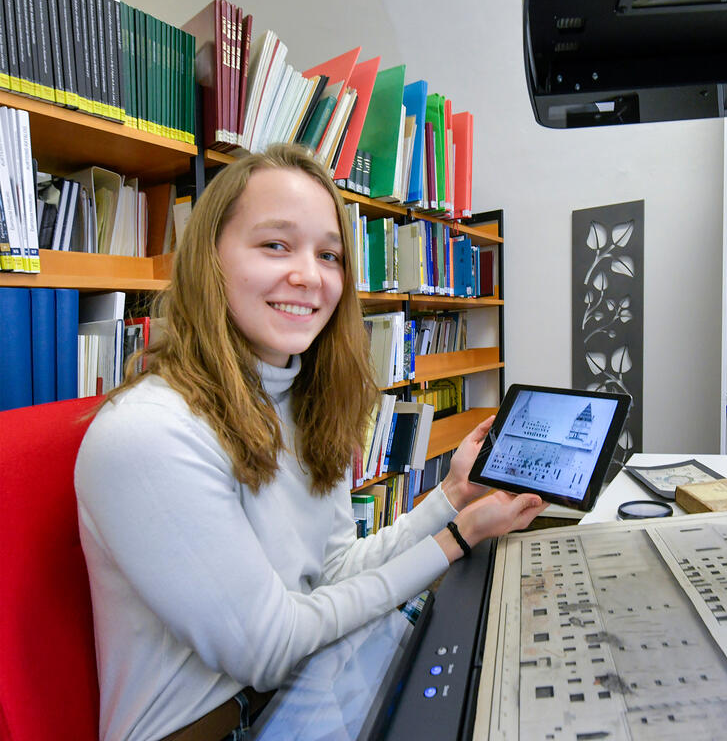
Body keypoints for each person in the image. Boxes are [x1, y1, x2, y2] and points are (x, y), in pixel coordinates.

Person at [74, 144, 545, 741]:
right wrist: (455, 541)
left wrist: (453, 496)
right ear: (208, 259)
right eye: (275, 244)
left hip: (303, 685)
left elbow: (332, 572)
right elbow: (267, 651)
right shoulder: (149, 432)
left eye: (329, 254)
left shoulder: (299, 402)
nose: (309, 274)